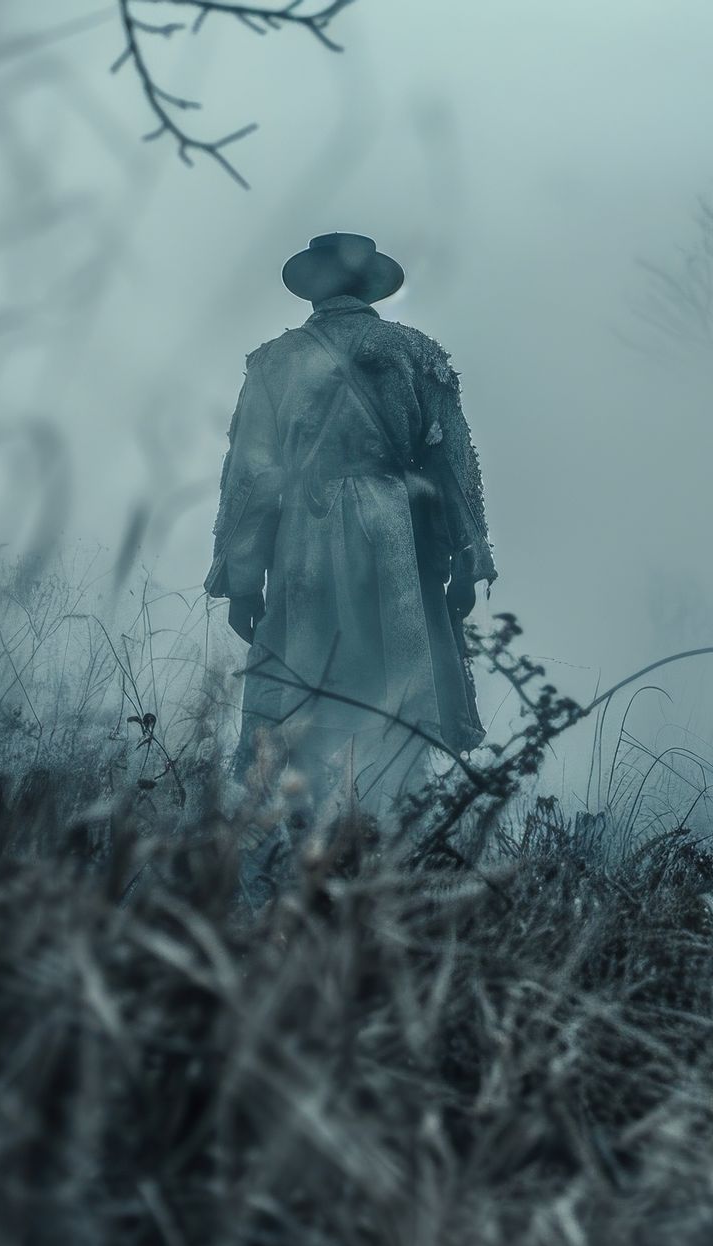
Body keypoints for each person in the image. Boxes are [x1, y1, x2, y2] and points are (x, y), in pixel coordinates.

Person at [205, 232, 495, 814]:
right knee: (398, 697)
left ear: (316, 285)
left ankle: (309, 832)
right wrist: (466, 562)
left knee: (305, 694)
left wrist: (242, 581)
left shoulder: (272, 363)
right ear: (367, 285)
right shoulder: (416, 351)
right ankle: (392, 833)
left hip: (301, 544)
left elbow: (250, 481)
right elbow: (452, 467)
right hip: (395, 540)